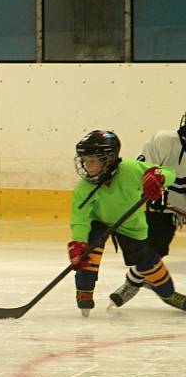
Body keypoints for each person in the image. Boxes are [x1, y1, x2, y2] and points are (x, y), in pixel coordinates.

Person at [68, 130, 186, 316]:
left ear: (108, 159)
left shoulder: (130, 169)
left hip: (130, 224)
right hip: (97, 222)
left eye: (93, 160)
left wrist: (158, 176)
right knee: (88, 254)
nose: (87, 166)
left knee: (148, 262)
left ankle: (168, 294)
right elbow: (80, 220)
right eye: (85, 160)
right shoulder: (83, 188)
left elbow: (168, 173)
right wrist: (78, 242)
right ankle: (84, 290)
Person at [136, 112, 186, 258]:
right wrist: (149, 181)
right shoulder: (164, 141)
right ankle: (137, 279)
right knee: (154, 248)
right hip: (165, 207)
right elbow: (142, 170)